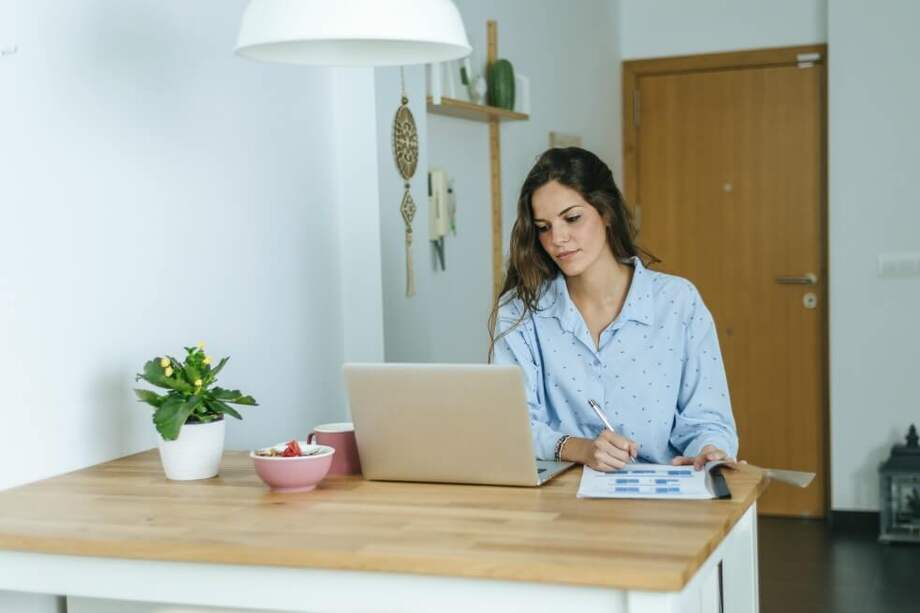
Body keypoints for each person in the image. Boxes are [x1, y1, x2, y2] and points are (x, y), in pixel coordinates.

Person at [488, 147, 738, 472]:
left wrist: (709, 450)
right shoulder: (520, 311)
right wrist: (579, 448)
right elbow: (512, 426)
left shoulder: (678, 302)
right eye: (543, 227)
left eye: (572, 218)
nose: (558, 239)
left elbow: (708, 418)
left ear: (605, 212)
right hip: (558, 500)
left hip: (663, 498)